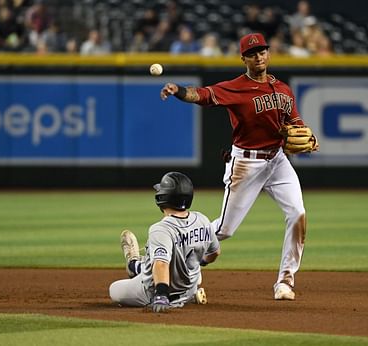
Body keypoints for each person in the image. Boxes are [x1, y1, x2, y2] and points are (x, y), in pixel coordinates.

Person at [160, 33, 318, 301]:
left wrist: (306, 136)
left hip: (278, 160)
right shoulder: (236, 87)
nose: (259, 56)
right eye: (253, 53)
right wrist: (179, 91)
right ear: (243, 58)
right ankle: (176, 251)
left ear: (268, 54)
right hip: (246, 163)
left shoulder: (283, 89)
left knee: (298, 214)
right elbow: (203, 95)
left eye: (263, 51)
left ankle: (285, 281)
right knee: (224, 230)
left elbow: (295, 122)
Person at [109, 172, 220, 312]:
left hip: (159, 292)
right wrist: (201, 262)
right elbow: (215, 252)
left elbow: (161, 265)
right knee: (191, 265)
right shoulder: (202, 219)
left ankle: (135, 264)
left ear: (162, 197)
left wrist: (161, 294)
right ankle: (137, 266)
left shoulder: (161, 229)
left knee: (114, 289)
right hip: (189, 286)